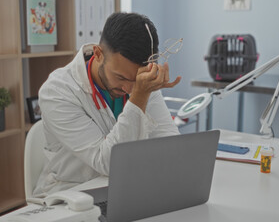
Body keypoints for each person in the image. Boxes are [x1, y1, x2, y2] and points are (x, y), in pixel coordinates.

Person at [33, 12, 181, 198]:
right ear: (98, 54)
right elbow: (110, 163)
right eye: (120, 77)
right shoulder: (57, 91)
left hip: (126, 189)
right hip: (73, 194)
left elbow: (170, 145)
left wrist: (142, 89)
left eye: (136, 80)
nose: (128, 88)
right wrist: (139, 96)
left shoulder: (140, 83)